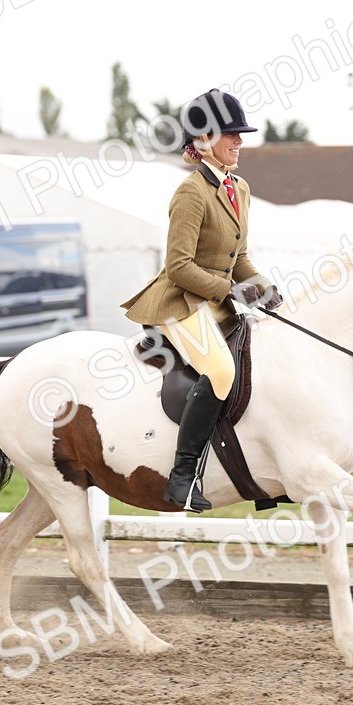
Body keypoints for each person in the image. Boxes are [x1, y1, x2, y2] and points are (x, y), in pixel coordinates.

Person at [120, 88, 282, 511]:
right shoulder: (191, 192)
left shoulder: (238, 188)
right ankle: (182, 478)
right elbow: (179, 265)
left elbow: (239, 257)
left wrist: (263, 286)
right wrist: (230, 290)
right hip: (181, 302)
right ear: (204, 140)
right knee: (223, 370)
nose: (239, 141)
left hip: (216, 303)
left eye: (240, 134)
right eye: (231, 134)